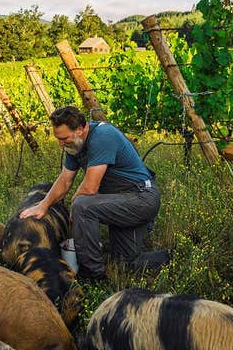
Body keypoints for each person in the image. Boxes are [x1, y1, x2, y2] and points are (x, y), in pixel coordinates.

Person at [20, 106, 161, 281]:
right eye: (58, 138)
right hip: (119, 200)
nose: (60, 144)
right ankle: (167, 257)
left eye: (64, 138)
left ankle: (92, 275)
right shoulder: (75, 145)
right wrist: (43, 206)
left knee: (82, 206)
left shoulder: (102, 136)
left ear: (80, 129)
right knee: (123, 264)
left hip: (141, 199)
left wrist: (74, 206)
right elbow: (65, 179)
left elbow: (90, 188)